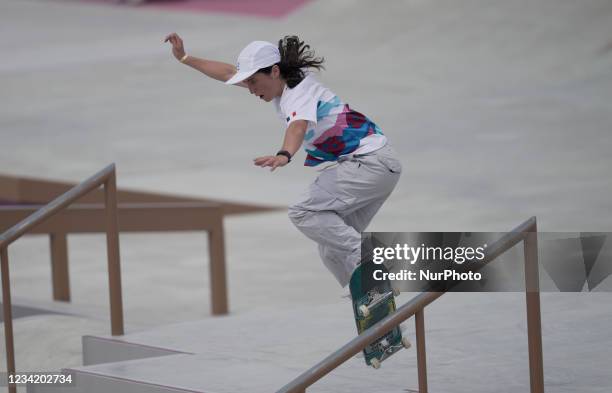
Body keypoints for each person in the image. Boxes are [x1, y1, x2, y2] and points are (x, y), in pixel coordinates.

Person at [164, 33, 402, 288]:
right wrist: (185, 58)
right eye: (248, 83)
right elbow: (227, 72)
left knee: (303, 211)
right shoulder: (283, 82)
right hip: (378, 167)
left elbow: (297, 127)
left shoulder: (298, 93)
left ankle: (371, 261)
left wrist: (284, 154)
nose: (251, 90)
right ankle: (371, 300)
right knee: (332, 250)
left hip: (369, 163)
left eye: (254, 82)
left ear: (275, 71)